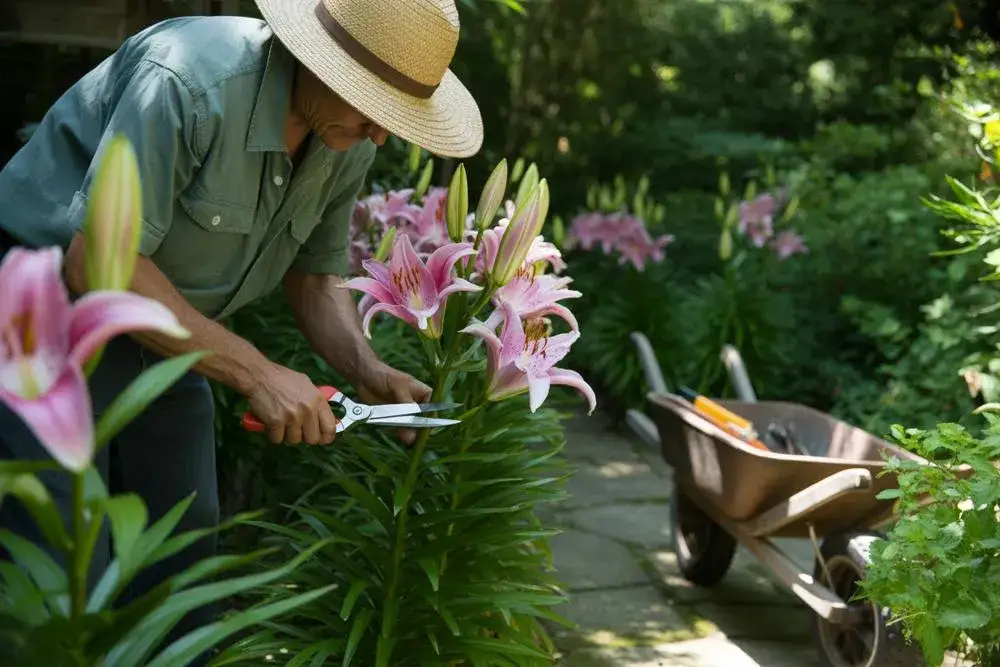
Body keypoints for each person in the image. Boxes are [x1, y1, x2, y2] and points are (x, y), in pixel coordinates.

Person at [0, 0, 483, 658]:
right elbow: (99, 263)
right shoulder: (187, 81)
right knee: (57, 568)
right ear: (320, 60)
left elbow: (315, 279)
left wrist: (367, 372)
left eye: (393, 115)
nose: (379, 135)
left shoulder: (343, 140)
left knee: (183, 551)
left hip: (166, 336)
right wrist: (257, 373)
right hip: (38, 319)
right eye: (373, 105)